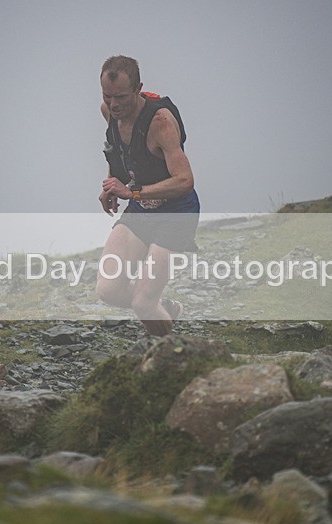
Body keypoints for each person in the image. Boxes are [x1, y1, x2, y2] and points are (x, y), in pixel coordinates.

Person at [95, 55, 200, 336]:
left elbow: (185, 180)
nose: (114, 104)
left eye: (121, 97)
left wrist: (132, 191)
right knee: (108, 290)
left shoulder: (160, 122)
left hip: (175, 213)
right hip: (141, 210)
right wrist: (111, 184)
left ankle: (174, 355)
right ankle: (166, 309)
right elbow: (120, 153)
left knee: (143, 304)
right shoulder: (108, 112)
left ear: (138, 88)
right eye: (108, 96)